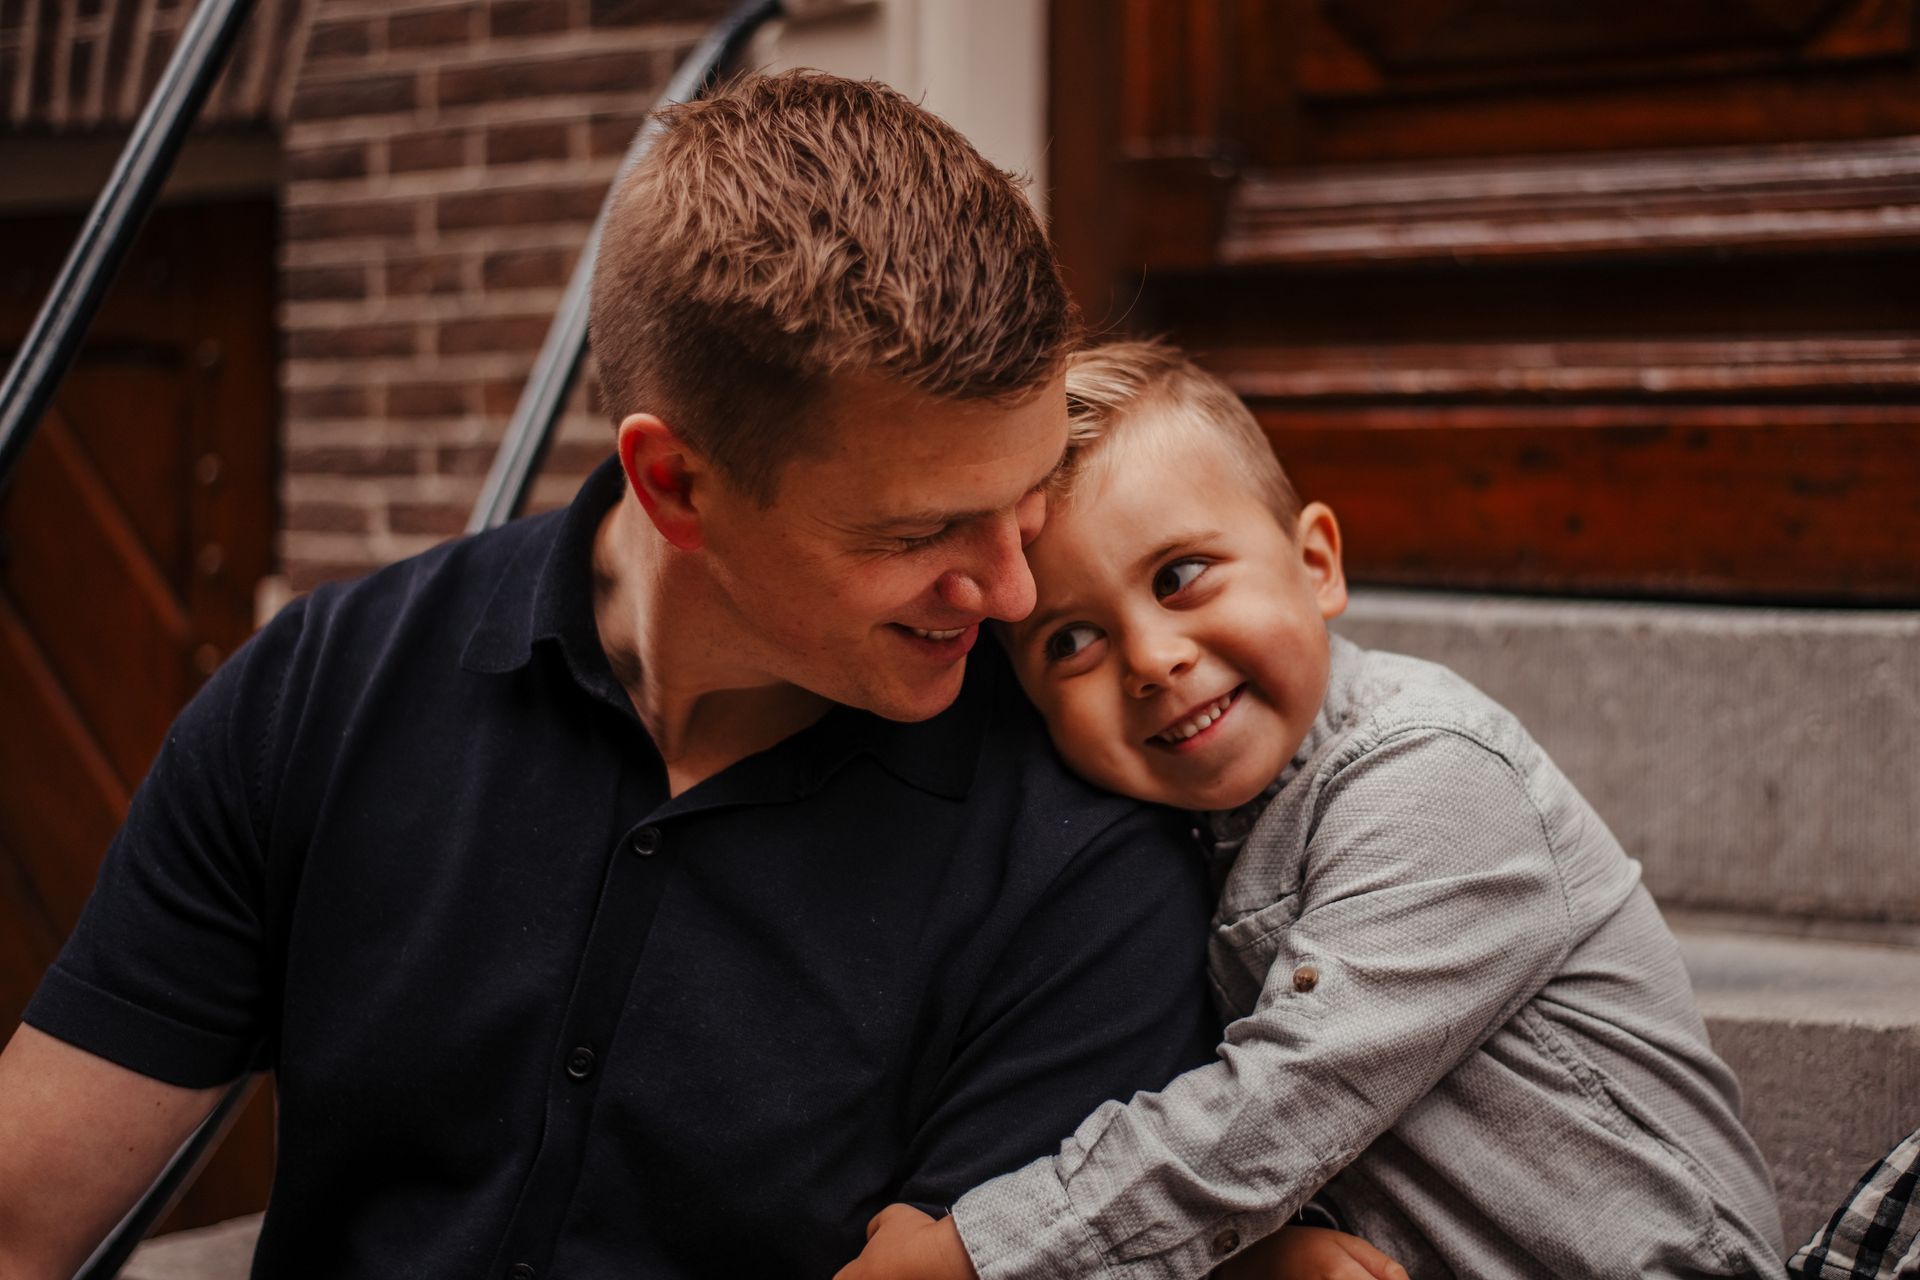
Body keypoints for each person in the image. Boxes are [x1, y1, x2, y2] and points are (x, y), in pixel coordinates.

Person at [0, 77, 1221, 1278]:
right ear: (674, 484)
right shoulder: (325, 690)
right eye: (919, 535)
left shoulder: (1086, 842)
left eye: (1030, 496)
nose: (1013, 591)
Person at [842, 341, 1787, 1280]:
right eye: (1073, 639)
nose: (1152, 659)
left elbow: (1293, 1095)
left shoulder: (1432, 778)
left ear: (1316, 563)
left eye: (1179, 577)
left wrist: (975, 1257)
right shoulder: (1154, 846)